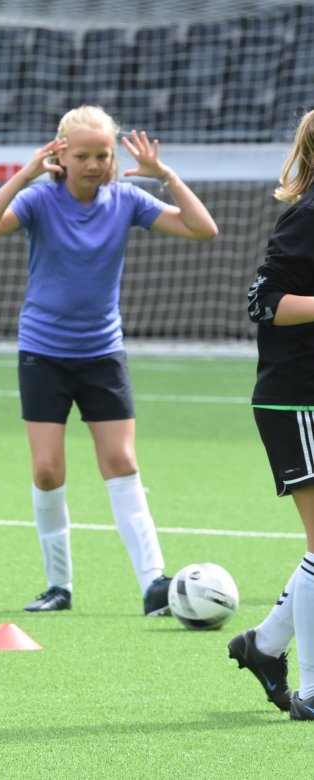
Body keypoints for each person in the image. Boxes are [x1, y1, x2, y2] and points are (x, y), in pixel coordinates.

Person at [0, 105, 219, 615]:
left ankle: (154, 583)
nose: (95, 164)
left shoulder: (127, 199)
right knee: (47, 471)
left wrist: (165, 176)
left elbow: (203, 229)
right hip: (43, 353)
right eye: (83, 156)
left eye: (103, 154)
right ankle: (58, 586)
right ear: (61, 155)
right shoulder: (38, 199)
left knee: (122, 463)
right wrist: (22, 176)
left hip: (103, 354)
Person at [233, 108, 314, 720]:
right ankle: (310, 693)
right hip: (296, 399)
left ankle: (263, 645)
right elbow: (263, 300)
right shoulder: (307, 216)